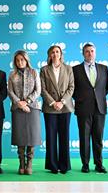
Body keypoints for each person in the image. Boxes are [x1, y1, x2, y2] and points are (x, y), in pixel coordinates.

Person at [72, 43, 108, 173]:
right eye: (87, 51)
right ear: (83, 53)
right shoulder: (75, 69)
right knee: (84, 137)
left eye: (92, 51)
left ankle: (99, 164)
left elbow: (105, 89)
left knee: (98, 138)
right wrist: (81, 99)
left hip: (99, 108)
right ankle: (85, 164)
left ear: (95, 52)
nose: (90, 53)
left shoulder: (104, 68)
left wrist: (97, 99)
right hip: (83, 108)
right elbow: (73, 89)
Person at [40, 45, 74, 174]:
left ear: (61, 54)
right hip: (50, 108)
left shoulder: (69, 68)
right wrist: (53, 102)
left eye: (57, 52)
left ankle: (64, 166)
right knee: (51, 137)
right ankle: (53, 166)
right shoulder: (44, 70)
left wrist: (62, 102)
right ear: (49, 55)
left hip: (65, 107)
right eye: (52, 52)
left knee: (64, 137)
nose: (55, 54)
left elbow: (71, 87)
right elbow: (42, 89)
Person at [7, 50, 41, 175]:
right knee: (20, 137)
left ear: (26, 60)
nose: (20, 62)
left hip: (32, 108)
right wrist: (19, 103)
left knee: (31, 137)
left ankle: (29, 164)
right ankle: (21, 164)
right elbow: (10, 92)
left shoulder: (34, 72)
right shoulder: (12, 74)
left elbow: (38, 90)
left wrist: (26, 102)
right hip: (17, 109)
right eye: (17, 60)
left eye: (22, 59)